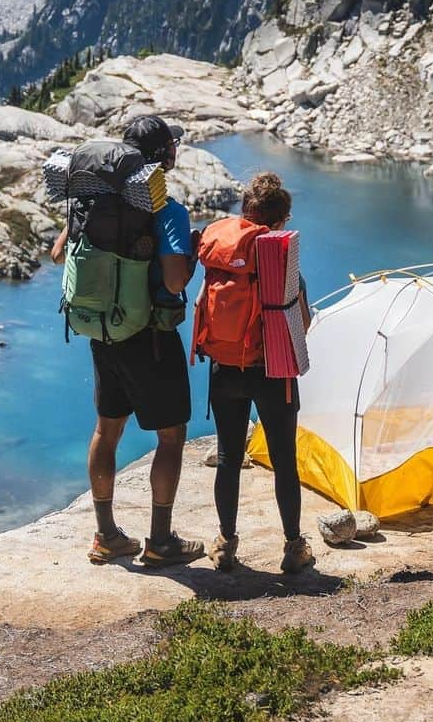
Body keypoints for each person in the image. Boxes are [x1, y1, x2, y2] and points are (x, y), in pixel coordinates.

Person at [52, 114, 205, 568]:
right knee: (172, 436)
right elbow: (175, 282)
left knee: (107, 429)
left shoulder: (91, 205)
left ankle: (107, 535)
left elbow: (58, 253)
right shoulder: (167, 210)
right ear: (163, 157)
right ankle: (160, 540)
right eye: (172, 146)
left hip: (103, 332)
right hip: (150, 337)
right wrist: (191, 255)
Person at [204, 172, 314, 575]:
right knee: (285, 461)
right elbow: (300, 319)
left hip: (225, 368)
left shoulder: (223, 251)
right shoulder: (281, 259)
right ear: (282, 221)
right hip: (272, 372)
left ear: (244, 212)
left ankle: (225, 544)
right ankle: (293, 547)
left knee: (229, 458)